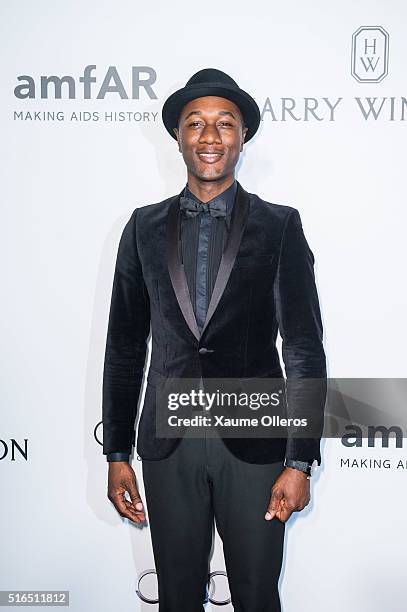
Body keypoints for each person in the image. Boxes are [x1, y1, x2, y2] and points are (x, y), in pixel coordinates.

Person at [102, 68, 327, 611]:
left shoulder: (279, 226)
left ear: (241, 136)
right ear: (177, 136)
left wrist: (299, 462)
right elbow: (125, 346)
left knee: (255, 595)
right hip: (168, 442)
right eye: (196, 123)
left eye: (224, 124)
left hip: (255, 440)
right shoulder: (142, 228)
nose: (209, 136)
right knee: (177, 598)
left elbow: (302, 348)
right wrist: (116, 452)